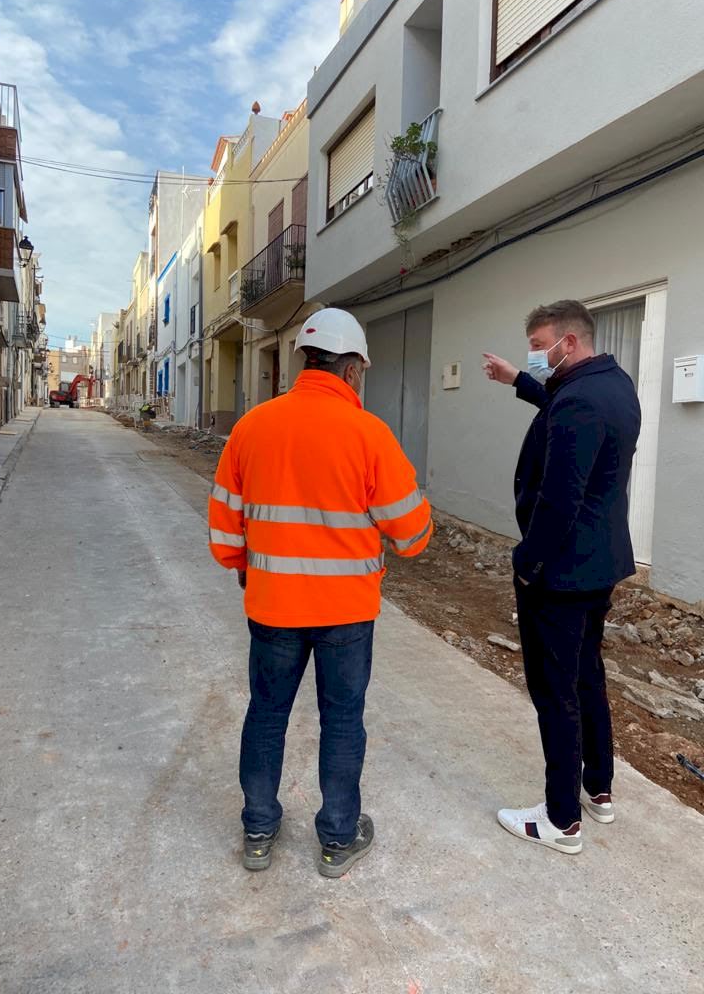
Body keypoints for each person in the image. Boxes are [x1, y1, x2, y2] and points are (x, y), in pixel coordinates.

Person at [208, 307, 433, 877]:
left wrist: (246, 565)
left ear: (304, 361)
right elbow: (412, 535)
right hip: (346, 615)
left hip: (273, 607)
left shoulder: (252, 427)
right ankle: (337, 838)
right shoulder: (369, 434)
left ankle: (258, 830)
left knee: (266, 714)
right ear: (352, 369)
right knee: (342, 720)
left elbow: (224, 532)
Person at [483, 300, 641, 855]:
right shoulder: (613, 385)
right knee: (587, 676)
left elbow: (559, 499)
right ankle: (599, 789)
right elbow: (560, 405)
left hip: (562, 573)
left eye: (539, 345)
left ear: (568, 343)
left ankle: (560, 819)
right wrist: (517, 380)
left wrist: (528, 565)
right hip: (600, 563)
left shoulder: (577, 401)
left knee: (555, 691)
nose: (535, 354)